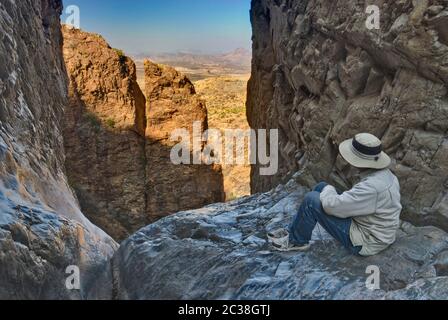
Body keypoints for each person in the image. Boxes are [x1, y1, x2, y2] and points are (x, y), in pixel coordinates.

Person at [269, 133, 402, 256]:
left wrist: (330, 189)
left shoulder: (371, 187)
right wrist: (327, 189)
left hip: (367, 241)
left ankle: (296, 242)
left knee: (311, 200)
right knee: (321, 187)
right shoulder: (386, 175)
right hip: (376, 229)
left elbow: (330, 206)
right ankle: (296, 231)